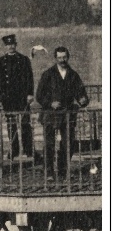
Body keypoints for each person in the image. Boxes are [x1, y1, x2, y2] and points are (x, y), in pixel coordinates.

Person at [36, 46, 88, 178]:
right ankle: (48, 172)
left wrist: (83, 100)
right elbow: (39, 95)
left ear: (68, 57)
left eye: (64, 57)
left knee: (68, 144)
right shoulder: (48, 74)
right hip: (50, 114)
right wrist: (50, 103)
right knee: (49, 145)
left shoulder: (73, 75)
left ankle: (63, 170)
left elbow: (81, 93)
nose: (62, 60)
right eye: (59, 58)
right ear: (55, 58)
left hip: (67, 115)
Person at [0, 33, 35, 160]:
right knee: (11, 124)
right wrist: (0, 97)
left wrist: (30, 94)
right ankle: (14, 151)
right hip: (8, 98)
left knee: (25, 123)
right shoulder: (0, 62)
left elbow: (30, 78)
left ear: (16, 45)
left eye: (12, 44)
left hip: (22, 97)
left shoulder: (24, 59)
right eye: (8, 45)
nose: (10, 47)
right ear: (5, 46)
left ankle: (29, 151)